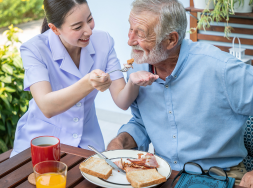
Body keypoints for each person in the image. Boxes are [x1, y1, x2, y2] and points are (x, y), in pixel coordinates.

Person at [107, 0, 253, 186]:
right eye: (130, 29)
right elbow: (142, 122)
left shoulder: (221, 68)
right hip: (165, 174)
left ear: (171, 40)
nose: (130, 40)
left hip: (222, 176)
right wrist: (120, 142)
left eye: (141, 33)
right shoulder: (138, 68)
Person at [10, 0, 158, 157]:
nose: (89, 31)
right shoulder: (34, 49)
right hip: (42, 142)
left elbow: (122, 101)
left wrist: (133, 83)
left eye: (90, 19)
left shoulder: (104, 42)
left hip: (87, 143)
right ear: (54, 29)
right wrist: (88, 83)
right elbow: (47, 107)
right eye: (78, 27)